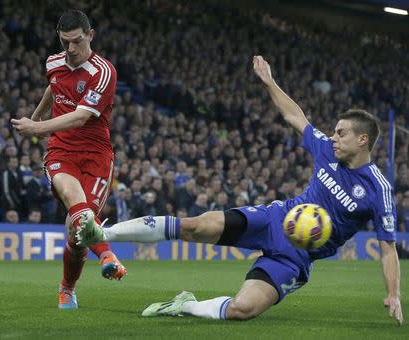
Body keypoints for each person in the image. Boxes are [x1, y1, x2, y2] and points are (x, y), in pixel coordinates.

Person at [75, 55, 403, 325]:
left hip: (296, 257)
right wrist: (269, 81)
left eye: (341, 133)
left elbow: (388, 249)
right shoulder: (327, 151)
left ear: (362, 140)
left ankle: (184, 305)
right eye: (334, 132)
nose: (333, 137)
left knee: (241, 310)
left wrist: (393, 294)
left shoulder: (378, 189)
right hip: (275, 219)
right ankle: (103, 233)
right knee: (195, 225)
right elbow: (294, 116)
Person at [10, 10, 126, 309]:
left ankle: (67, 286)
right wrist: (37, 114)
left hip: (97, 156)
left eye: (76, 41)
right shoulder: (54, 61)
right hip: (61, 151)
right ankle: (107, 255)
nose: (71, 49)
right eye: (65, 42)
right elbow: (54, 86)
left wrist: (36, 127)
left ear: (91, 35)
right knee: (73, 198)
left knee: (76, 234)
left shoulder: (103, 72)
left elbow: (81, 117)